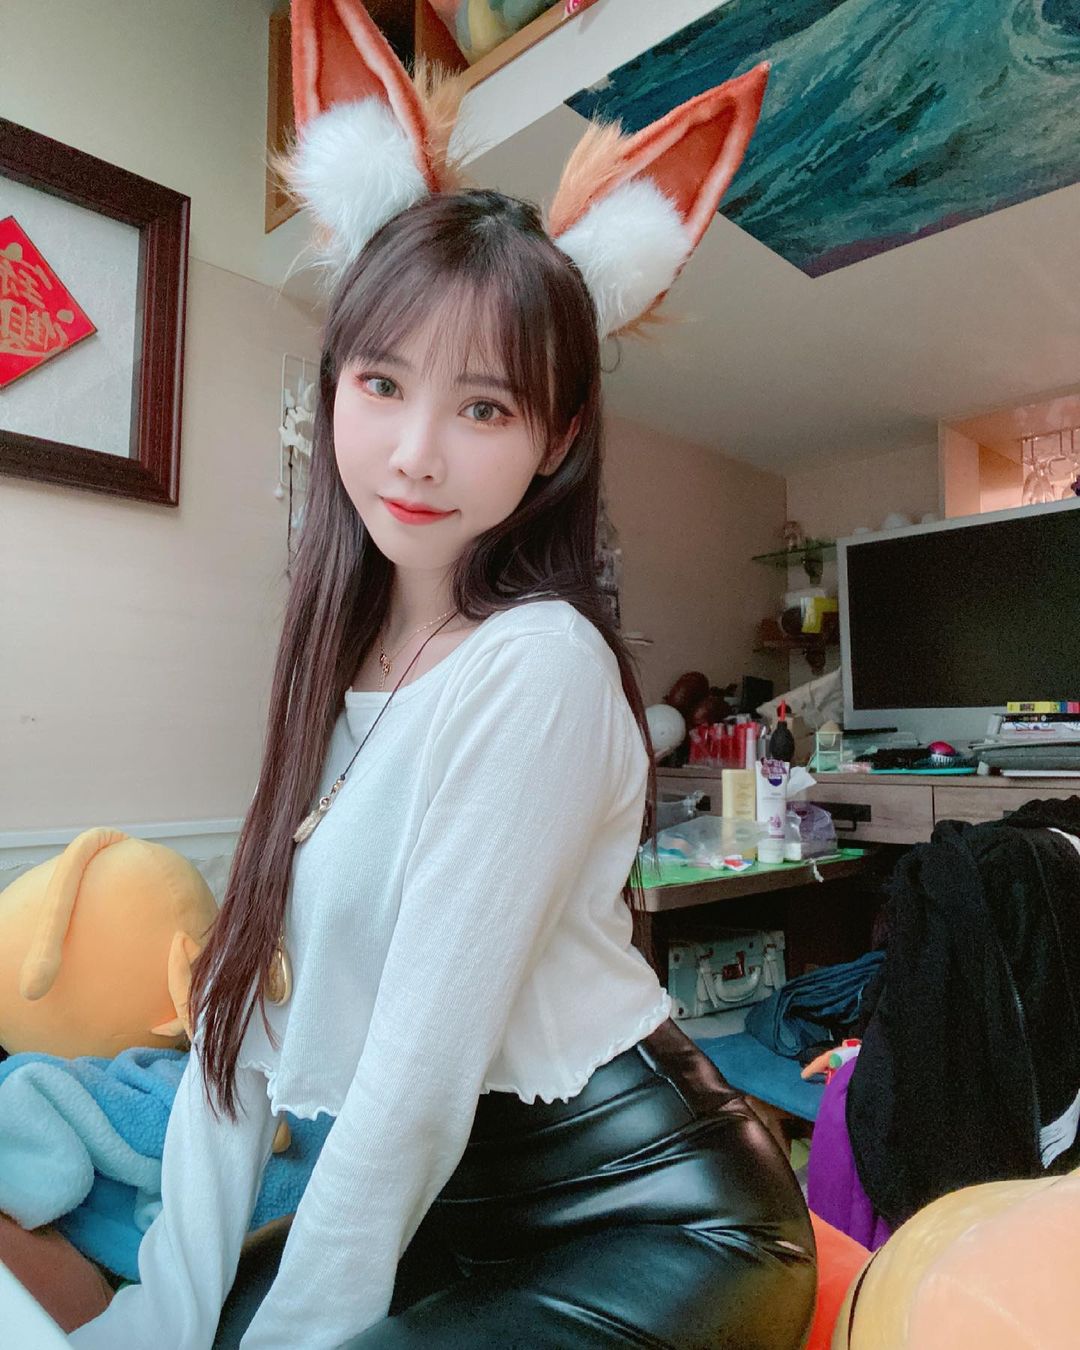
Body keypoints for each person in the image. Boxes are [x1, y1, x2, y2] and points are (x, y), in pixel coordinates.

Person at [70, 4, 814, 1346]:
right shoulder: (336, 664)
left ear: (555, 437)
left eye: (483, 406)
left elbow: (414, 1081)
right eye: (382, 384)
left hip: (659, 1219)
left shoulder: (540, 668)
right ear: (335, 386)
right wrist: (164, 1317)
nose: (416, 452)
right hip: (457, 1213)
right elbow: (238, 1032)